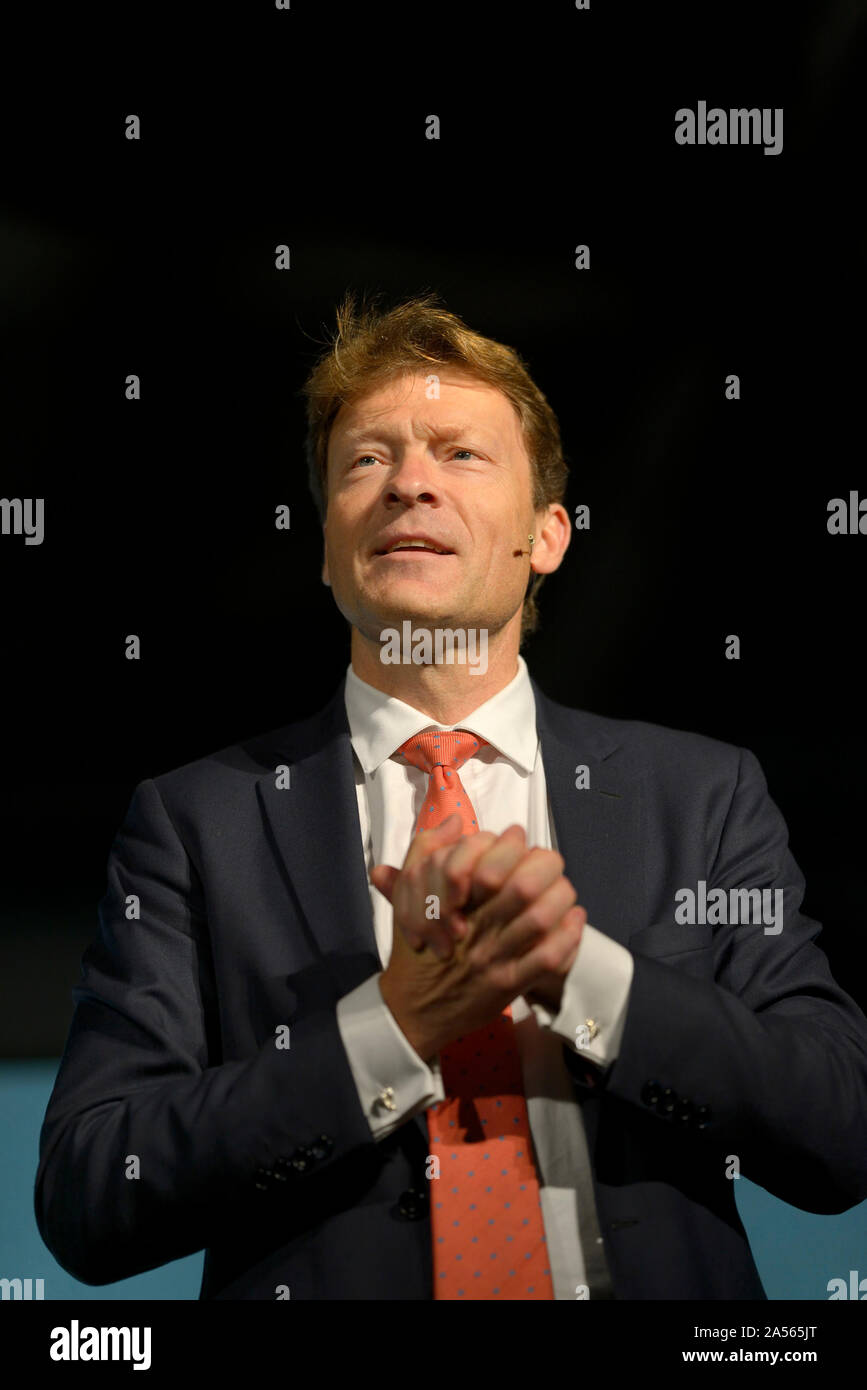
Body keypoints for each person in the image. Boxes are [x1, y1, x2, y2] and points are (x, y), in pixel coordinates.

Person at [35, 293, 867, 1300]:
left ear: (548, 535)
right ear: (327, 547)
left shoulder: (702, 795)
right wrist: (389, 1029)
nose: (409, 485)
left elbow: (838, 1132)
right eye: (367, 461)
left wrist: (582, 976)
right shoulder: (195, 822)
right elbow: (90, 1190)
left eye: (459, 454)